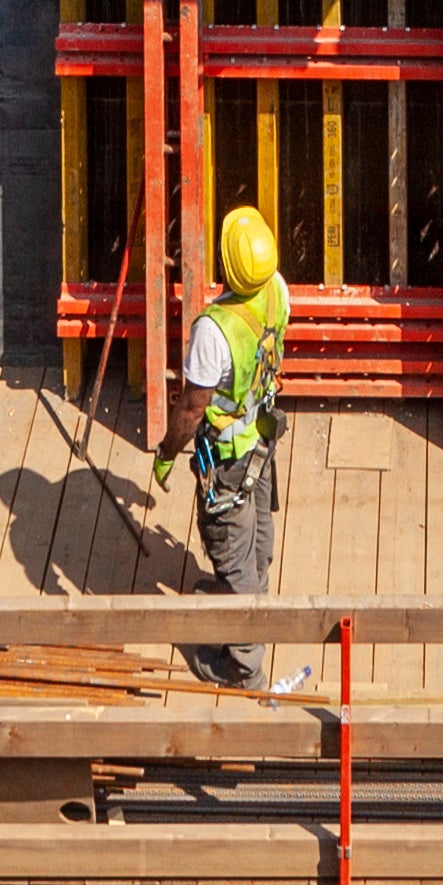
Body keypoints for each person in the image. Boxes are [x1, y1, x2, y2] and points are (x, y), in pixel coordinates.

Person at [157, 205, 290, 688]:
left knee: (230, 548)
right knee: (257, 529)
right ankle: (253, 602)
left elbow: (193, 408)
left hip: (229, 458)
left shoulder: (213, 331)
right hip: (262, 438)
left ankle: (243, 667)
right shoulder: (276, 290)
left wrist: (169, 450)